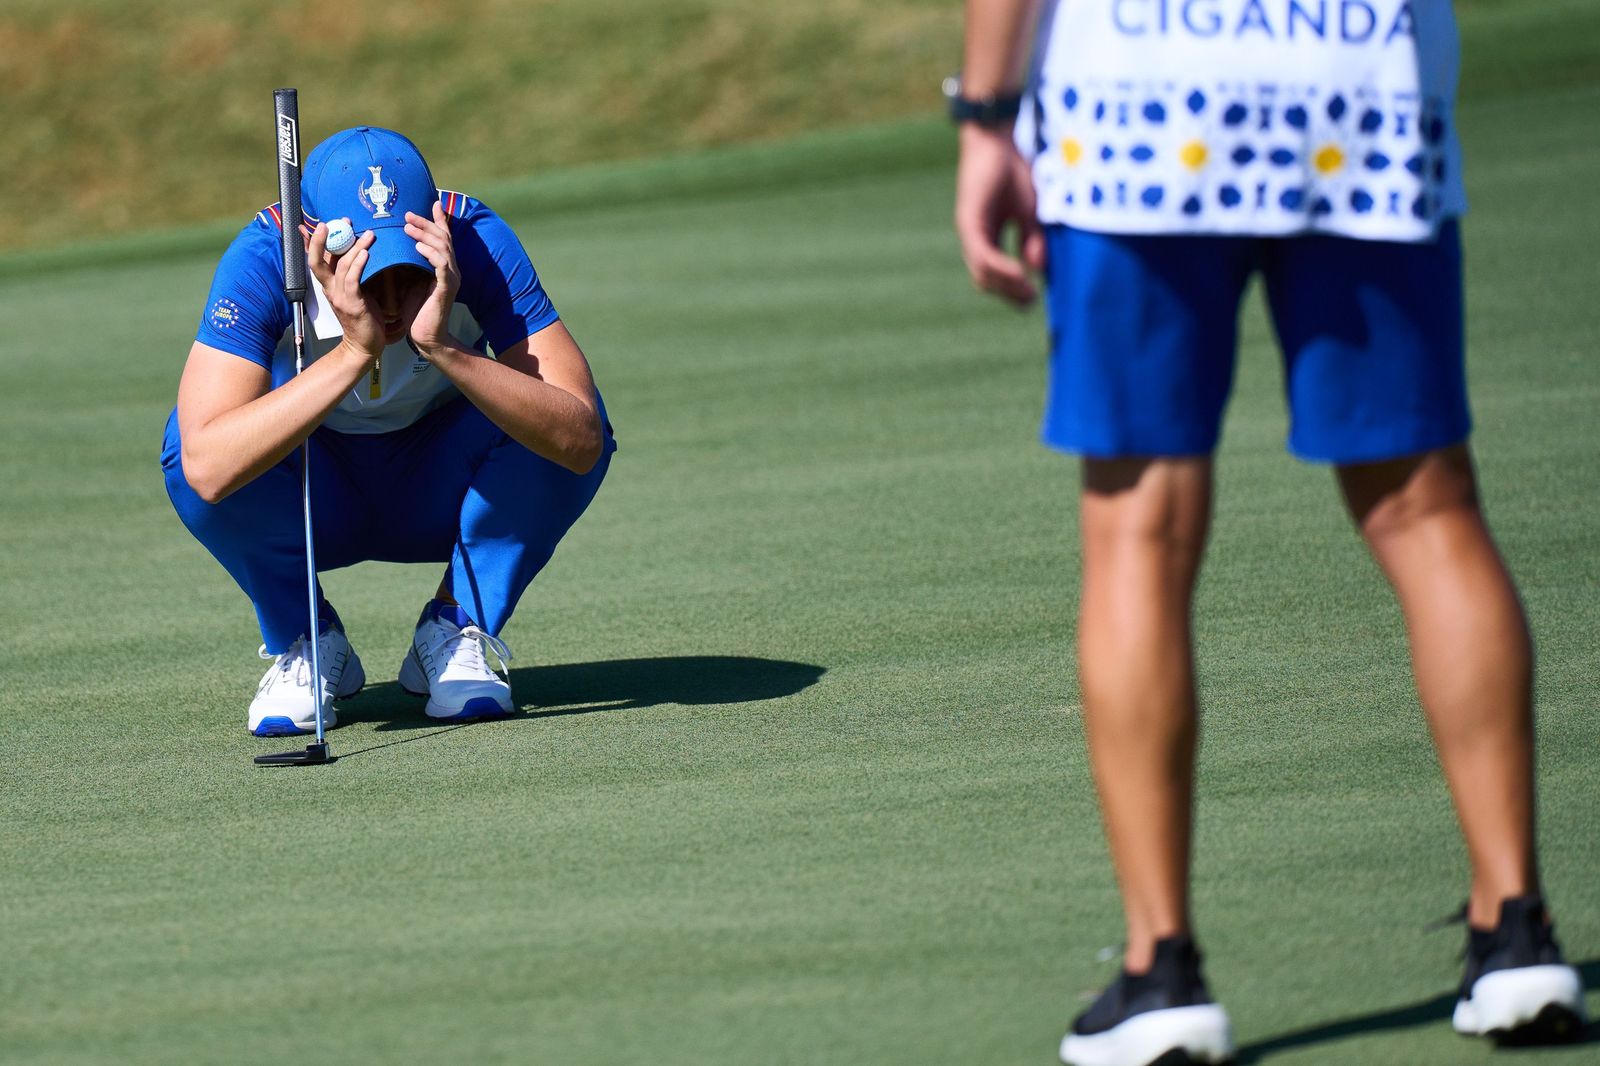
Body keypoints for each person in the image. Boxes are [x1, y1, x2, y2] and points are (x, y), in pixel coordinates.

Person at [950, 2, 1585, 1062]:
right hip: (1360, 81)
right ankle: (1516, 931)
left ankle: (1162, 974)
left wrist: (983, 114)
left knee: (1138, 530)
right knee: (1427, 506)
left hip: (1136, 95)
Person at [163, 126, 614, 736]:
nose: (395, 301)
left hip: (441, 481)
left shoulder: (475, 239)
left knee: (556, 421)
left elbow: (579, 437)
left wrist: (444, 346)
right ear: (313, 242)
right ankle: (307, 638)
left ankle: (457, 628)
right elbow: (208, 468)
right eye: (371, 274)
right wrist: (352, 351)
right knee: (188, 443)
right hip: (313, 493)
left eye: (409, 272)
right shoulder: (267, 255)